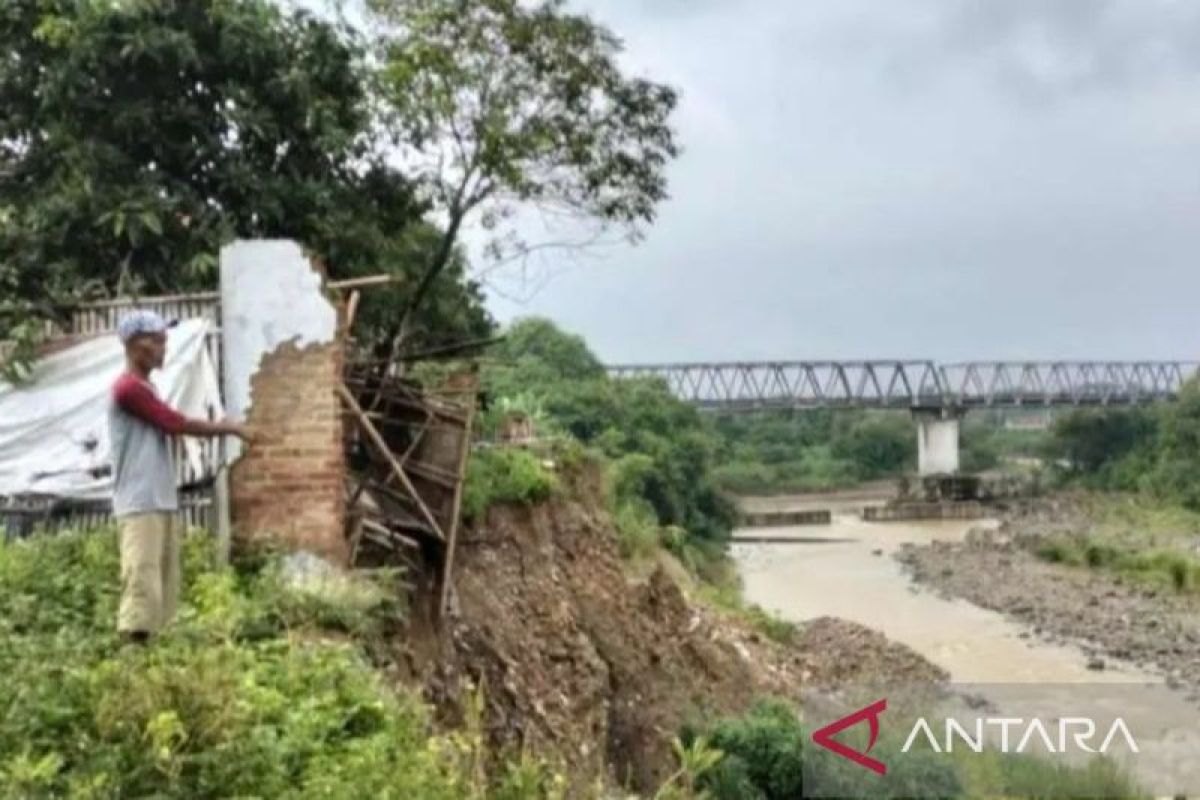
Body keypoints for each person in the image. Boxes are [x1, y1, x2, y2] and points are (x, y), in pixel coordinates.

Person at [109, 310, 252, 643]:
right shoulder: (128, 389)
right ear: (133, 345)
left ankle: (153, 660)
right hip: (139, 502)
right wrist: (231, 427)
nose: (163, 349)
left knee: (162, 584)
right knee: (141, 582)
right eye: (156, 341)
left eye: (164, 342)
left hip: (159, 497)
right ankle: (132, 661)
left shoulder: (147, 387)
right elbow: (176, 423)